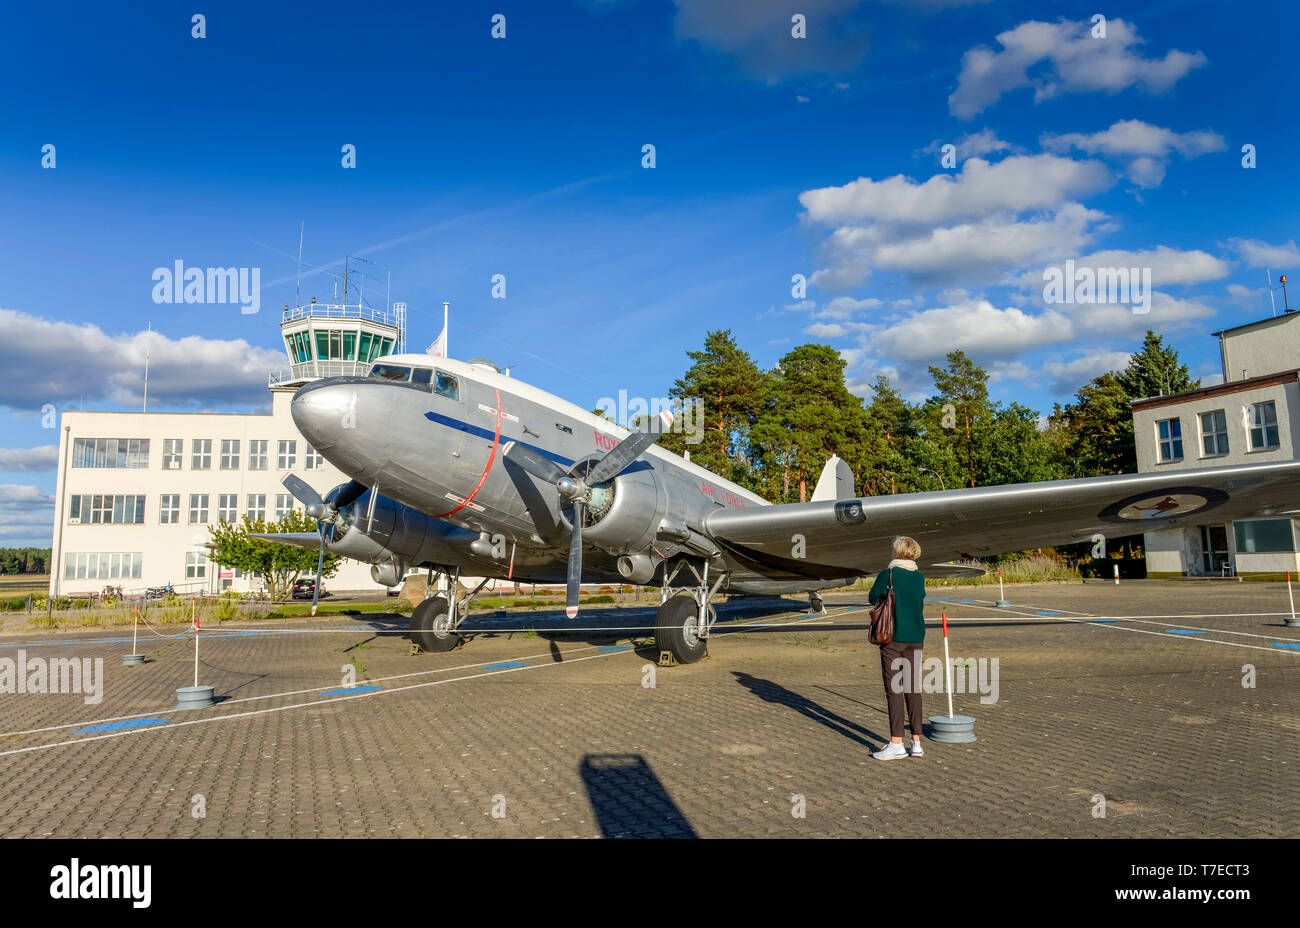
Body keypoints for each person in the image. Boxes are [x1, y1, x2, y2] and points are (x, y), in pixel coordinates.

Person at [868, 535, 927, 760]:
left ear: (897, 552)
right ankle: (917, 743)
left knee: (894, 689)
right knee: (913, 689)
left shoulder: (888, 574)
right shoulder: (919, 576)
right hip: (916, 638)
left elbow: (872, 597)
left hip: (893, 639)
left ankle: (896, 743)